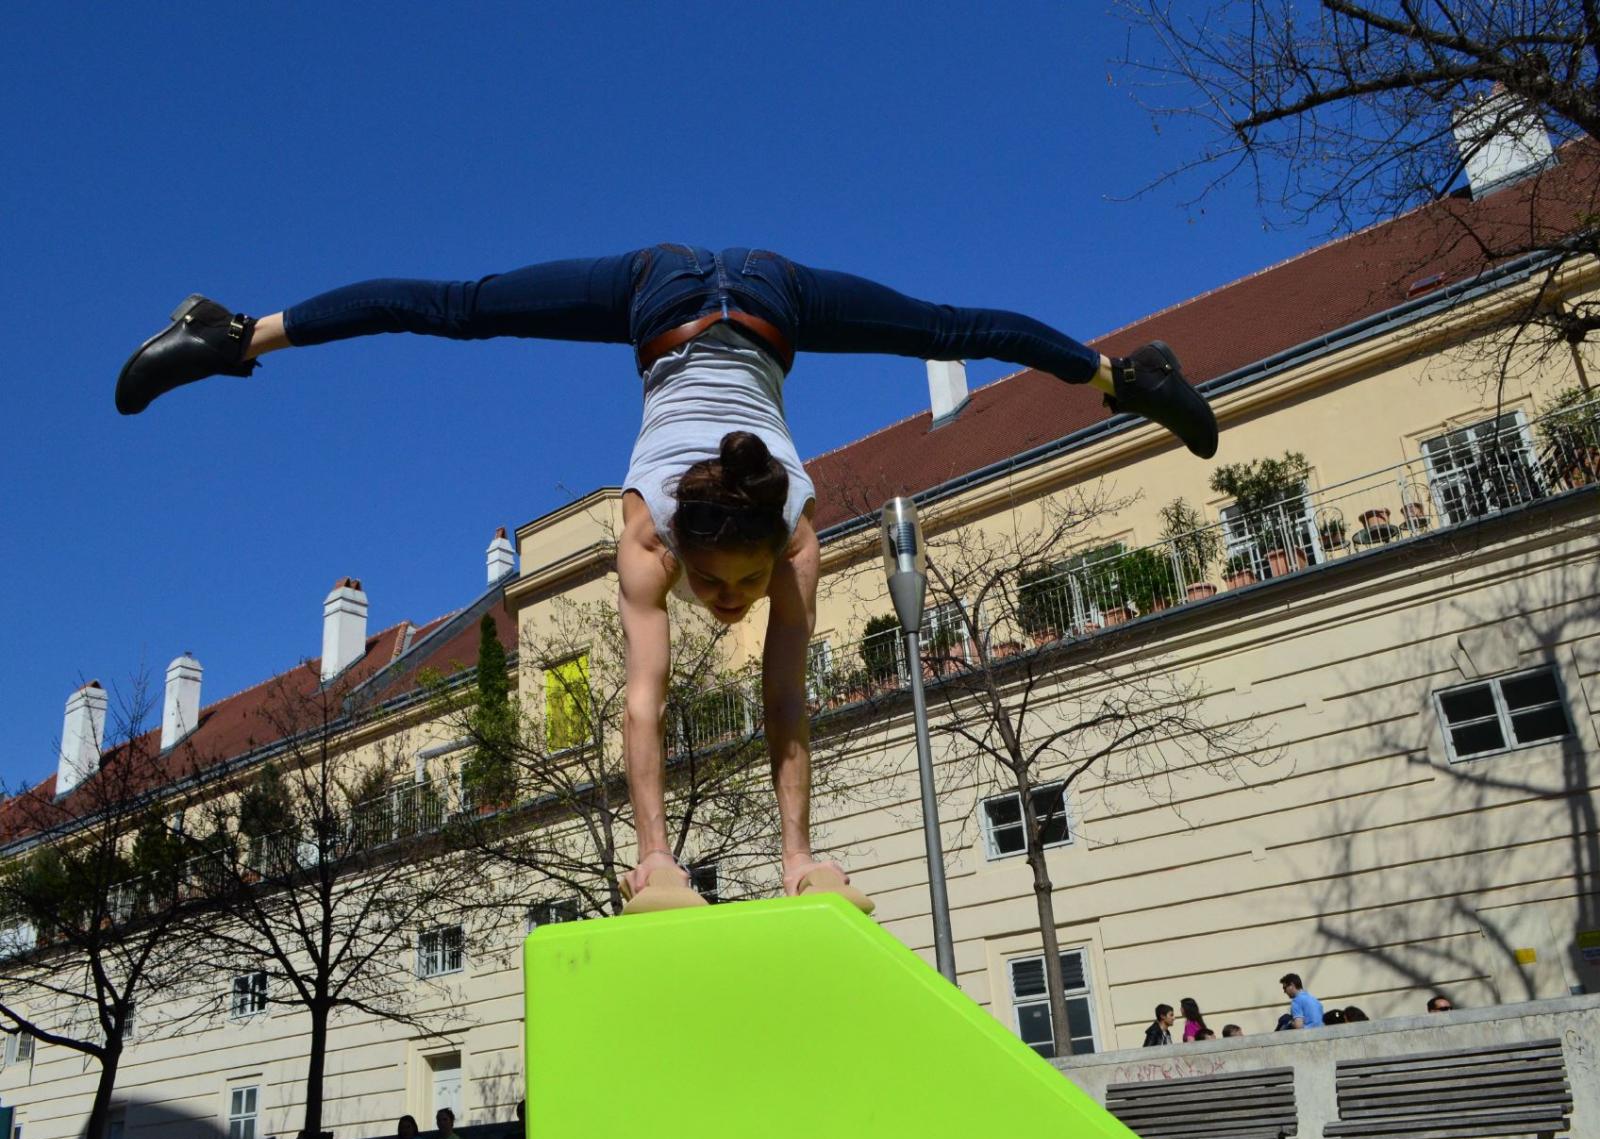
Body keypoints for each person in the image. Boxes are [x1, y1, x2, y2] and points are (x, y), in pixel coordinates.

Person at [114, 247, 1220, 917]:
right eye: (722, 592)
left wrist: (798, 856)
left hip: (712, 295)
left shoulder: (792, 534)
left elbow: (787, 703)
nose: (733, 606)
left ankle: (1130, 375)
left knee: (944, 328)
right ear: (678, 555)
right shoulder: (646, 534)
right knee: (462, 306)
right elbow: (639, 705)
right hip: (700, 294)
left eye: (735, 594)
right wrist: (652, 859)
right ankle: (232, 335)